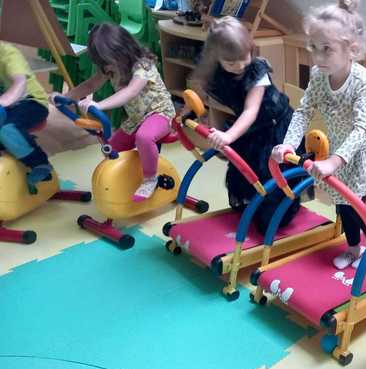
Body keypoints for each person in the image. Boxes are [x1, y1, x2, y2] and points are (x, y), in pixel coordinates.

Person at [272, 0, 366, 270]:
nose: (319, 56)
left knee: (354, 200)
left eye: (327, 49)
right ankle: (353, 247)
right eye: (314, 48)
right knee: (340, 200)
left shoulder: (362, 81)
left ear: (352, 49)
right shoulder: (318, 75)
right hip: (339, 145)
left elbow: (362, 129)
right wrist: (289, 143)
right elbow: (304, 111)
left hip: (364, 148)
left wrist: (334, 161)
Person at [191, 16, 303, 233]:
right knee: (245, 172)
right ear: (216, 57)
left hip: (275, 127)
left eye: (244, 58)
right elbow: (200, 87)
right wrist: (189, 109)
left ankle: (280, 213)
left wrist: (228, 136)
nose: (240, 66)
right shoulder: (214, 69)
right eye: (231, 63)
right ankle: (256, 206)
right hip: (252, 129)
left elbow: (251, 111)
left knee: (271, 176)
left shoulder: (256, 71)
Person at [53, 23, 175, 201]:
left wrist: (99, 105)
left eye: (109, 60)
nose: (107, 66)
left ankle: (150, 179)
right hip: (136, 118)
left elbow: (130, 91)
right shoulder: (110, 68)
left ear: (123, 50)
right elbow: (90, 85)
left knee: (144, 137)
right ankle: (129, 178)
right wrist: (65, 97)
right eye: (103, 62)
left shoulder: (143, 66)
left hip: (160, 113)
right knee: (111, 149)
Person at [0, 42, 53, 186]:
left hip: (32, 101)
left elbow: (20, 82)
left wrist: (3, 101)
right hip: (8, 106)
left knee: (7, 129)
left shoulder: (8, 53)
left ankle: (40, 164)